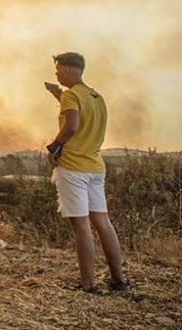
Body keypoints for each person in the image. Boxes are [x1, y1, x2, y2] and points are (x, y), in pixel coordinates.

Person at [44, 52, 128, 293]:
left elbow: (72, 125)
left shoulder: (71, 95)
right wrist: (57, 95)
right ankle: (118, 280)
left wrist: (54, 147)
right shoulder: (96, 96)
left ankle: (88, 284)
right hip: (95, 167)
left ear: (69, 70)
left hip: (73, 168)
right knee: (102, 221)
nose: (57, 74)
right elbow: (80, 112)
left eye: (58, 70)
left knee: (81, 225)